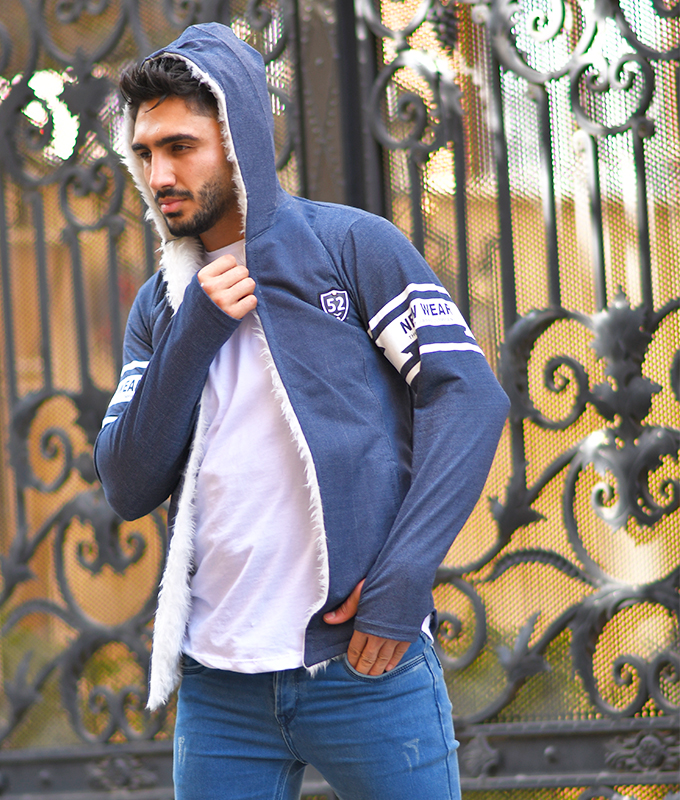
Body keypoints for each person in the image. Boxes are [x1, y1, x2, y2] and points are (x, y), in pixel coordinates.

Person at [95, 21, 509, 800]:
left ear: (239, 142)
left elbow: (468, 394)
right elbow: (127, 481)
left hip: (364, 664)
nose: (159, 173)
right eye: (144, 152)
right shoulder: (160, 306)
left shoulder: (351, 247)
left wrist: (402, 580)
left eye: (181, 146)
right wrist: (196, 330)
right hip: (219, 687)